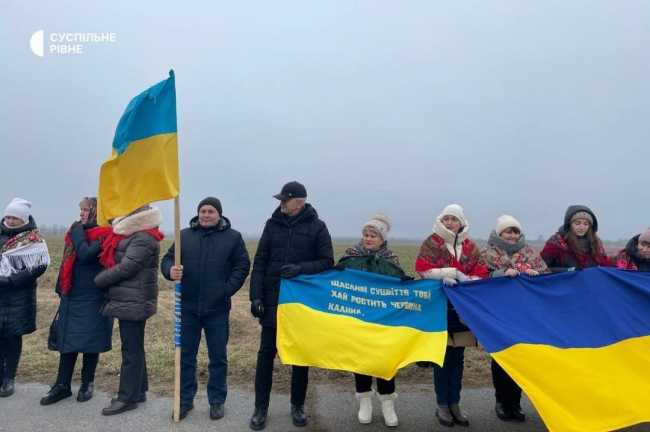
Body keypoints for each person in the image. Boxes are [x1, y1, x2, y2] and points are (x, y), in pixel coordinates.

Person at [249, 181, 334, 430]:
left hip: (300, 303)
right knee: (266, 355)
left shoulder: (318, 228)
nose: (281, 203)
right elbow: (260, 262)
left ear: (300, 202)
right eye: (280, 200)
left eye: (285, 200)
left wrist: (301, 269)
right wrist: (256, 296)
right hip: (272, 300)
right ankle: (260, 408)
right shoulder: (271, 225)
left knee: (299, 357)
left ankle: (297, 406)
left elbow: (327, 261)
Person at [161, 197, 251, 421]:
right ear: (198, 214)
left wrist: (226, 290)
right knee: (185, 357)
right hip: (188, 308)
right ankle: (184, 400)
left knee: (218, 357)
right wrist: (170, 270)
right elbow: (168, 259)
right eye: (202, 211)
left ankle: (217, 400)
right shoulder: (184, 236)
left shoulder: (233, 238)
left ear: (219, 214)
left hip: (217, 309)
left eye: (210, 211)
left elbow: (242, 266)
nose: (206, 215)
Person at [414, 204, 487, 428]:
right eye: (446, 218)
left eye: (453, 219)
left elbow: (480, 271)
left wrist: (468, 280)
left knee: (458, 358)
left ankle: (455, 403)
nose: (449, 223)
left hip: (462, 310)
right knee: (442, 357)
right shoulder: (432, 243)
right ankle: (442, 405)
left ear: (461, 222)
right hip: (440, 307)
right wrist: (450, 273)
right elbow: (423, 268)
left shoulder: (470, 247)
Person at [40, 197, 114, 406]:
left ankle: (86, 383)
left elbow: (87, 254)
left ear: (96, 212)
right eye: (80, 210)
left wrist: (77, 233)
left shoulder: (104, 233)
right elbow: (67, 261)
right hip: (72, 295)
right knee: (68, 342)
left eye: (85, 210)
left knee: (91, 342)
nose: (80, 213)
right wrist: (61, 287)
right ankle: (62, 385)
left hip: (94, 295)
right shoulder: (76, 233)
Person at [336, 214, 407, 427]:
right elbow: (339, 283)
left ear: (382, 238)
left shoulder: (391, 259)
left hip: (383, 319)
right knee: (362, 359)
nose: (368, 239)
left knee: (385, 360)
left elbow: (397, 285)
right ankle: (364, 402)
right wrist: (338, 271)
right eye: (365, 235)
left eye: (373, 235)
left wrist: (403, 282)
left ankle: (387, 404)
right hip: (359, 318)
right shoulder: (351, 256)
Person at [94, 204, 164, 415]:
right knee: (135, 347)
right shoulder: (139, 234)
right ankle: (138, 391)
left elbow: (127, 267)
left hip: (134, 300)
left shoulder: (142, 237)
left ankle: (127, 398)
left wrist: (99, 280)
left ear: (137, 216)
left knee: (130, 350)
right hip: (132, 298)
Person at [480, 215, 551, 422]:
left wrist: (534, 273)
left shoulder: (529, 252)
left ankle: (516, 402)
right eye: (508, 231)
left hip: (524, 314)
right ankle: (501, 401)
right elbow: (477, 276)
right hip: (499, 313)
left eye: (515, 231)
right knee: (502, 357)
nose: (512, 235)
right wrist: (500, 274)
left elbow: (545, 273)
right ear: (500, 233)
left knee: (521, 357)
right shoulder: (487, 252)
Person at [0, 198, 50, 397]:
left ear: (23, 219)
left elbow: (40, 264)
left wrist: (13, 280)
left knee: (13, 336)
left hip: (19, 295)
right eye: (8, 216)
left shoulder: (33, 239)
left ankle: (9, 378)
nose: (10, 221)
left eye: (15, 218)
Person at [540, 205, 610, 272]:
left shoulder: (596, 243)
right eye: (577, 223)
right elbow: (543, 269)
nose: (582, 228)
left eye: (586, 224)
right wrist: (569, 271)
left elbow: (605, 268)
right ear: (569, 224)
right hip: (564, 283)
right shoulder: (555, 242)